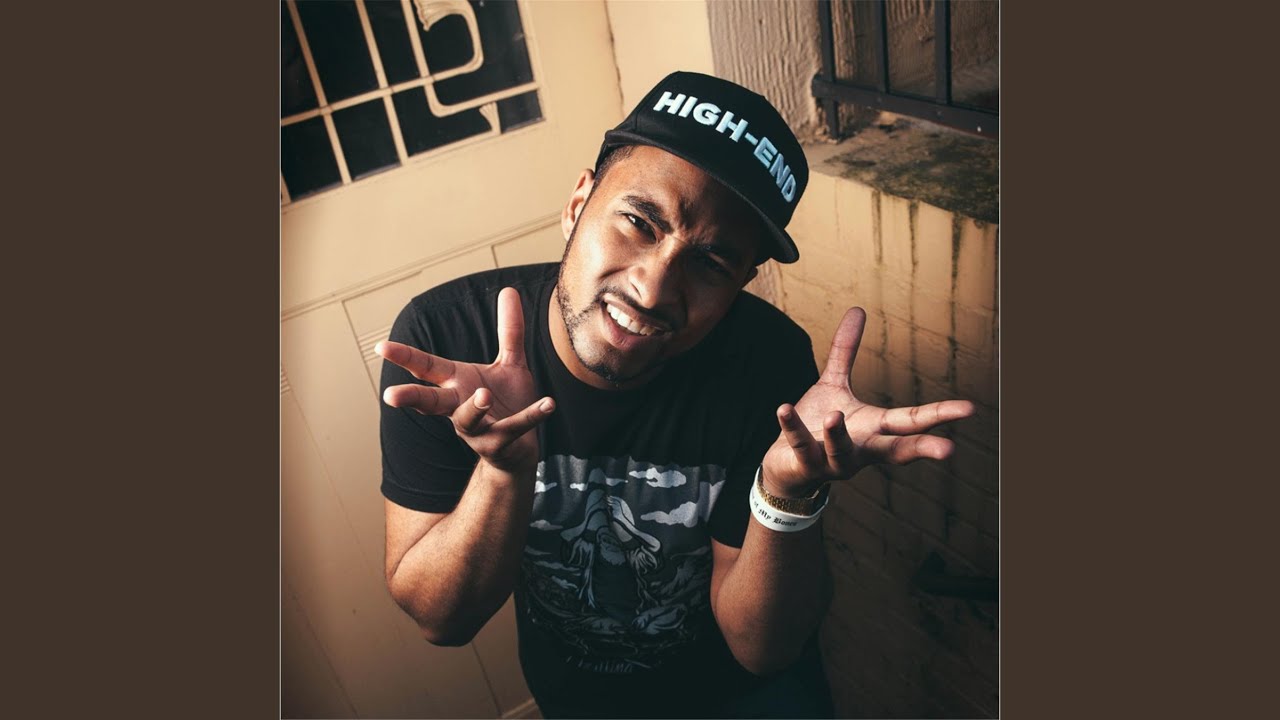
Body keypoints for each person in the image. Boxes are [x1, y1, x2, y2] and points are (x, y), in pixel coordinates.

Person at [376, 71, 974, 719]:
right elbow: (440, 618)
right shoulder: (448, 340)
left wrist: (787, 494)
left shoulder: (766, 363)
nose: (655, 288)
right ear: (578, 203)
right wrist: (503, 472)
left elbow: (762, 651)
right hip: (579, 696)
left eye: (711, 263)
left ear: (743, 281)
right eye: (639, 222)